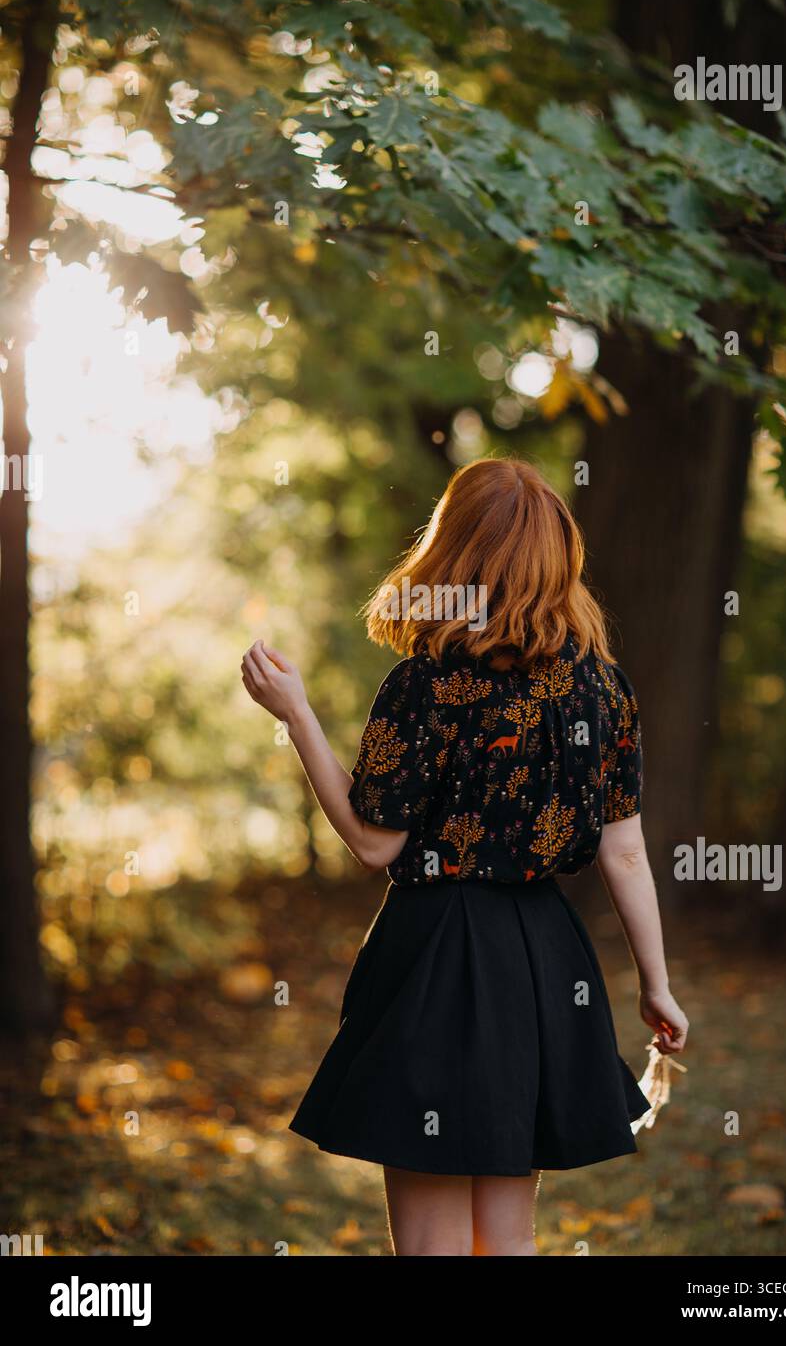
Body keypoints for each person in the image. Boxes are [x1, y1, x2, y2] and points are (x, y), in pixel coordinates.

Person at [241, 456, 689, 1256]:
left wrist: (296, 714)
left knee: (433, 1246)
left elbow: (374, 843)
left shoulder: (426, 683)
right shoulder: (604, 691)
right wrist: (656, 985)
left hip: (436, 961)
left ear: (451, 551)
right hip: (546, 965)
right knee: (506, 1243)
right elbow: (624, 853)